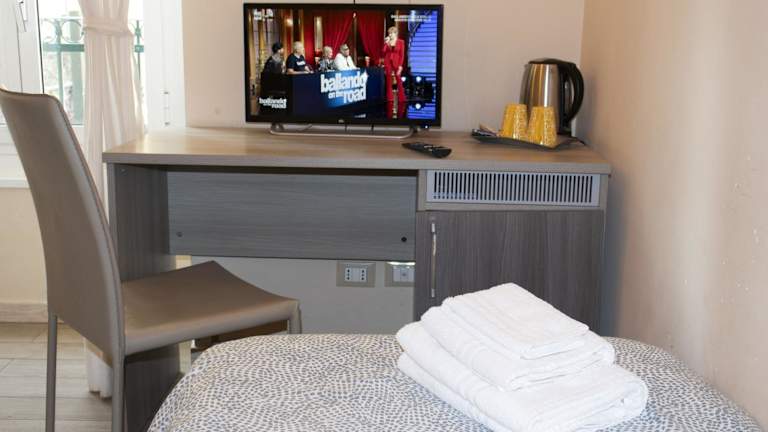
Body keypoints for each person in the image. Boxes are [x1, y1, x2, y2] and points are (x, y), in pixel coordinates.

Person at [381, 26, 406, 116]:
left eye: (391, 33)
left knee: (398, 80)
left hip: (396, 63)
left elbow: (402, 55)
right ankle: (390, 98)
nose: (390, 35)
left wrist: (400, 66)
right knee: (388, 81)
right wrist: (386, 43)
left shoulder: (401, 42)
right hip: (388, 62)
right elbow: (383, 52)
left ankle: (402, 98)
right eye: (389, 33)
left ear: (395, 33)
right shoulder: (387, 42)